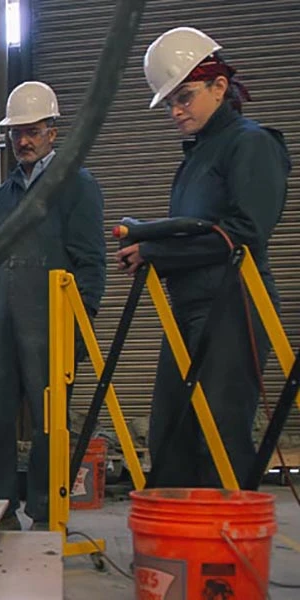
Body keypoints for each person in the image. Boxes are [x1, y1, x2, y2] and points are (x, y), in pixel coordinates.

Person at [116, 27, 291, 488]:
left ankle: (222, 549)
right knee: (171, 430)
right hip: (190, 306)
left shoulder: (252, 143)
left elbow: (243, 233)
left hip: (234, 302)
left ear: (219, 87)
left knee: (220, 429)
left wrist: (156, 248)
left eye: (185, 97)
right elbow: (195, 232)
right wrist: (151, 250)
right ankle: (175, 547)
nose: (175, 111)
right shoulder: (196, 157)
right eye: (169, 101)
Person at [0, 82, 106, 530]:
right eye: (16, 133)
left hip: (51, 325)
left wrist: (80, 327)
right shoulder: (2, 198)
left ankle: (47, 513)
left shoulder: (76, 185)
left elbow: (91, 263)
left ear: (52, 132)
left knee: (51, 426)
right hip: (3, 323)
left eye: (32, 131)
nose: (23, 141)